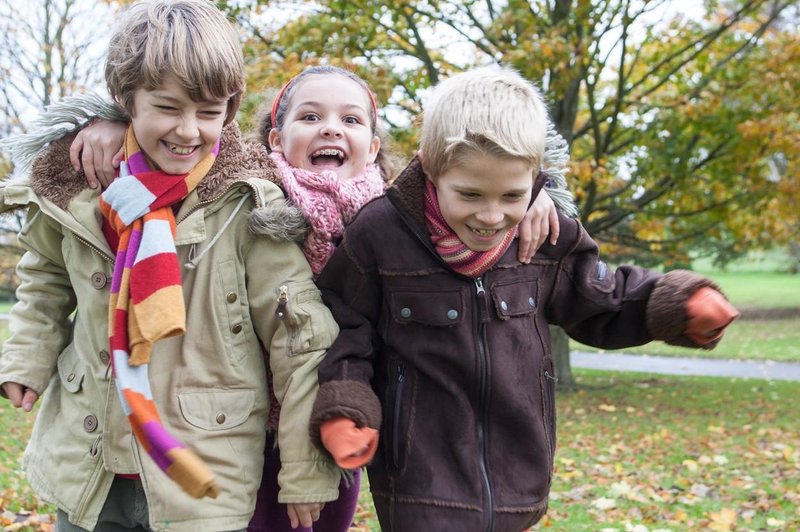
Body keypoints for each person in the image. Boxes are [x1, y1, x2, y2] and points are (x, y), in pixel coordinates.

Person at [40, 64, 579, 530]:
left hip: (338, 420)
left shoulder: (402, 220)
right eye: (310, 116)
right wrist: (111, 124)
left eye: (351, 120)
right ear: (274, 139)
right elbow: (183, 136)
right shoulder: (240, 194)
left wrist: (539, 195)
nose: (331, 129)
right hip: (242, 425)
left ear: (374, 145)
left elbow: (477, 177)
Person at [307, 66, 740, 531]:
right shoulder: (380, 234)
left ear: (536, 178)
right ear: (431, 169)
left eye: (512, 195)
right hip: (419, 481)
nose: (492, 215)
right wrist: (346, 404)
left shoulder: (545, 234)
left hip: (519, 477)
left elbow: (600, 297)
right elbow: (344, 325)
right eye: (470, 194)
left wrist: (675, 307)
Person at [0, 1, 341, 530]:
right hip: (89, 466)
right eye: (167, 107)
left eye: (209, 113)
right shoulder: (76, 189)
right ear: (124, 103)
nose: (188, 131)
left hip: (201, 475)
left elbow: (299, 340)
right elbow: (44, 276)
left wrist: (304, 467)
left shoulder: (248, 206)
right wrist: (25, 356)